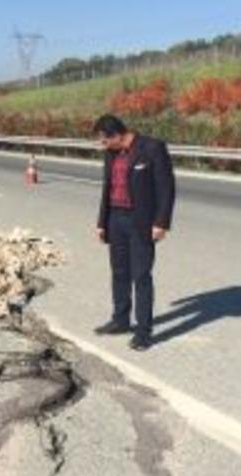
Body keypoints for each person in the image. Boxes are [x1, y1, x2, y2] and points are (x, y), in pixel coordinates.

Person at [93, 114, 176, 351]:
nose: (103, 145)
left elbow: (166, 188)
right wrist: (102, 222)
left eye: (104, 140)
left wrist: (161, 222)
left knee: (141, 276)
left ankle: (143, 332)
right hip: (116, 219)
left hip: (141, 221)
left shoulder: (152, 148)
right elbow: (107, 189)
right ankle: (120, 320)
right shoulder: (111, 153)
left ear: (117, 135)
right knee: (119, 272)